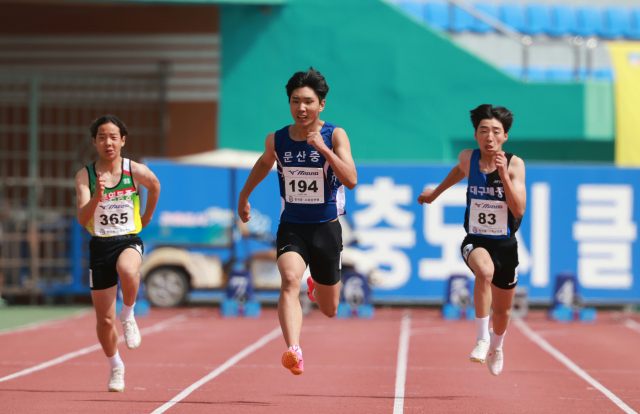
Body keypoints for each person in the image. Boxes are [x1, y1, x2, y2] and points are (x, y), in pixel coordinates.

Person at [238, 67, 357, 375]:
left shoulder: (335, 135)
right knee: (290, 280)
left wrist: (324, 150)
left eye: (308, 101)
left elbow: (351, 180)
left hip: (326, 228)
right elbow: (263, 165)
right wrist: (244, 196)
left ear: (321, 104)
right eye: (295, 101)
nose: (301, 108)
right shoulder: (277, 140)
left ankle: (317, 284)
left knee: (330, 309)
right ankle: (293, 349)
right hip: (292, 225)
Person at [418, 104, 526, 376]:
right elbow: (459, 170)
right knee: (484, 271)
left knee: (502, 313)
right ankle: (481, 339)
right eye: (483, 131)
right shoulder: (468, 158)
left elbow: (519, 210)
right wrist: (435, 194)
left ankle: (497, 347)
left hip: (506, 245)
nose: (489, 137)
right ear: (476, 135)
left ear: (505, 137)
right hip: (475, 240)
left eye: (496, 132)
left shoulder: (514, 165)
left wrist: (503, 176)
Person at [75, 115, 161, 392]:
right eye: (102, 137)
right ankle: (116, 367)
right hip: (99, 245)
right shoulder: (85, 175)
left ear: (123, 140)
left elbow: (155, 185)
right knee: (103, 320)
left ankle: (129, 313)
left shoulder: (134, 170)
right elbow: (81, 217)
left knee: (128, 270)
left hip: (127, 239)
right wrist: (98, 197)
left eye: (113, 136)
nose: (108, 142)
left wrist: (146, 215)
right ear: (94, 142)